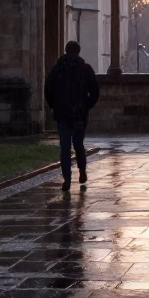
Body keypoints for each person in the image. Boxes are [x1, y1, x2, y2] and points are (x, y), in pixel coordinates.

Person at [44, 40, 100, 191]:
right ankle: (82, 171)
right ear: (78, 51)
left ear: (66, 51)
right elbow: (95, 90)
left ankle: (67, 179)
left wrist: (53, 106)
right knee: (78, 144)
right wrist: (87, 105)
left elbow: (48, 89)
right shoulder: (85, 69)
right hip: (79, 113)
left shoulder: (57, 69)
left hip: (62, 113)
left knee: (65, 147)